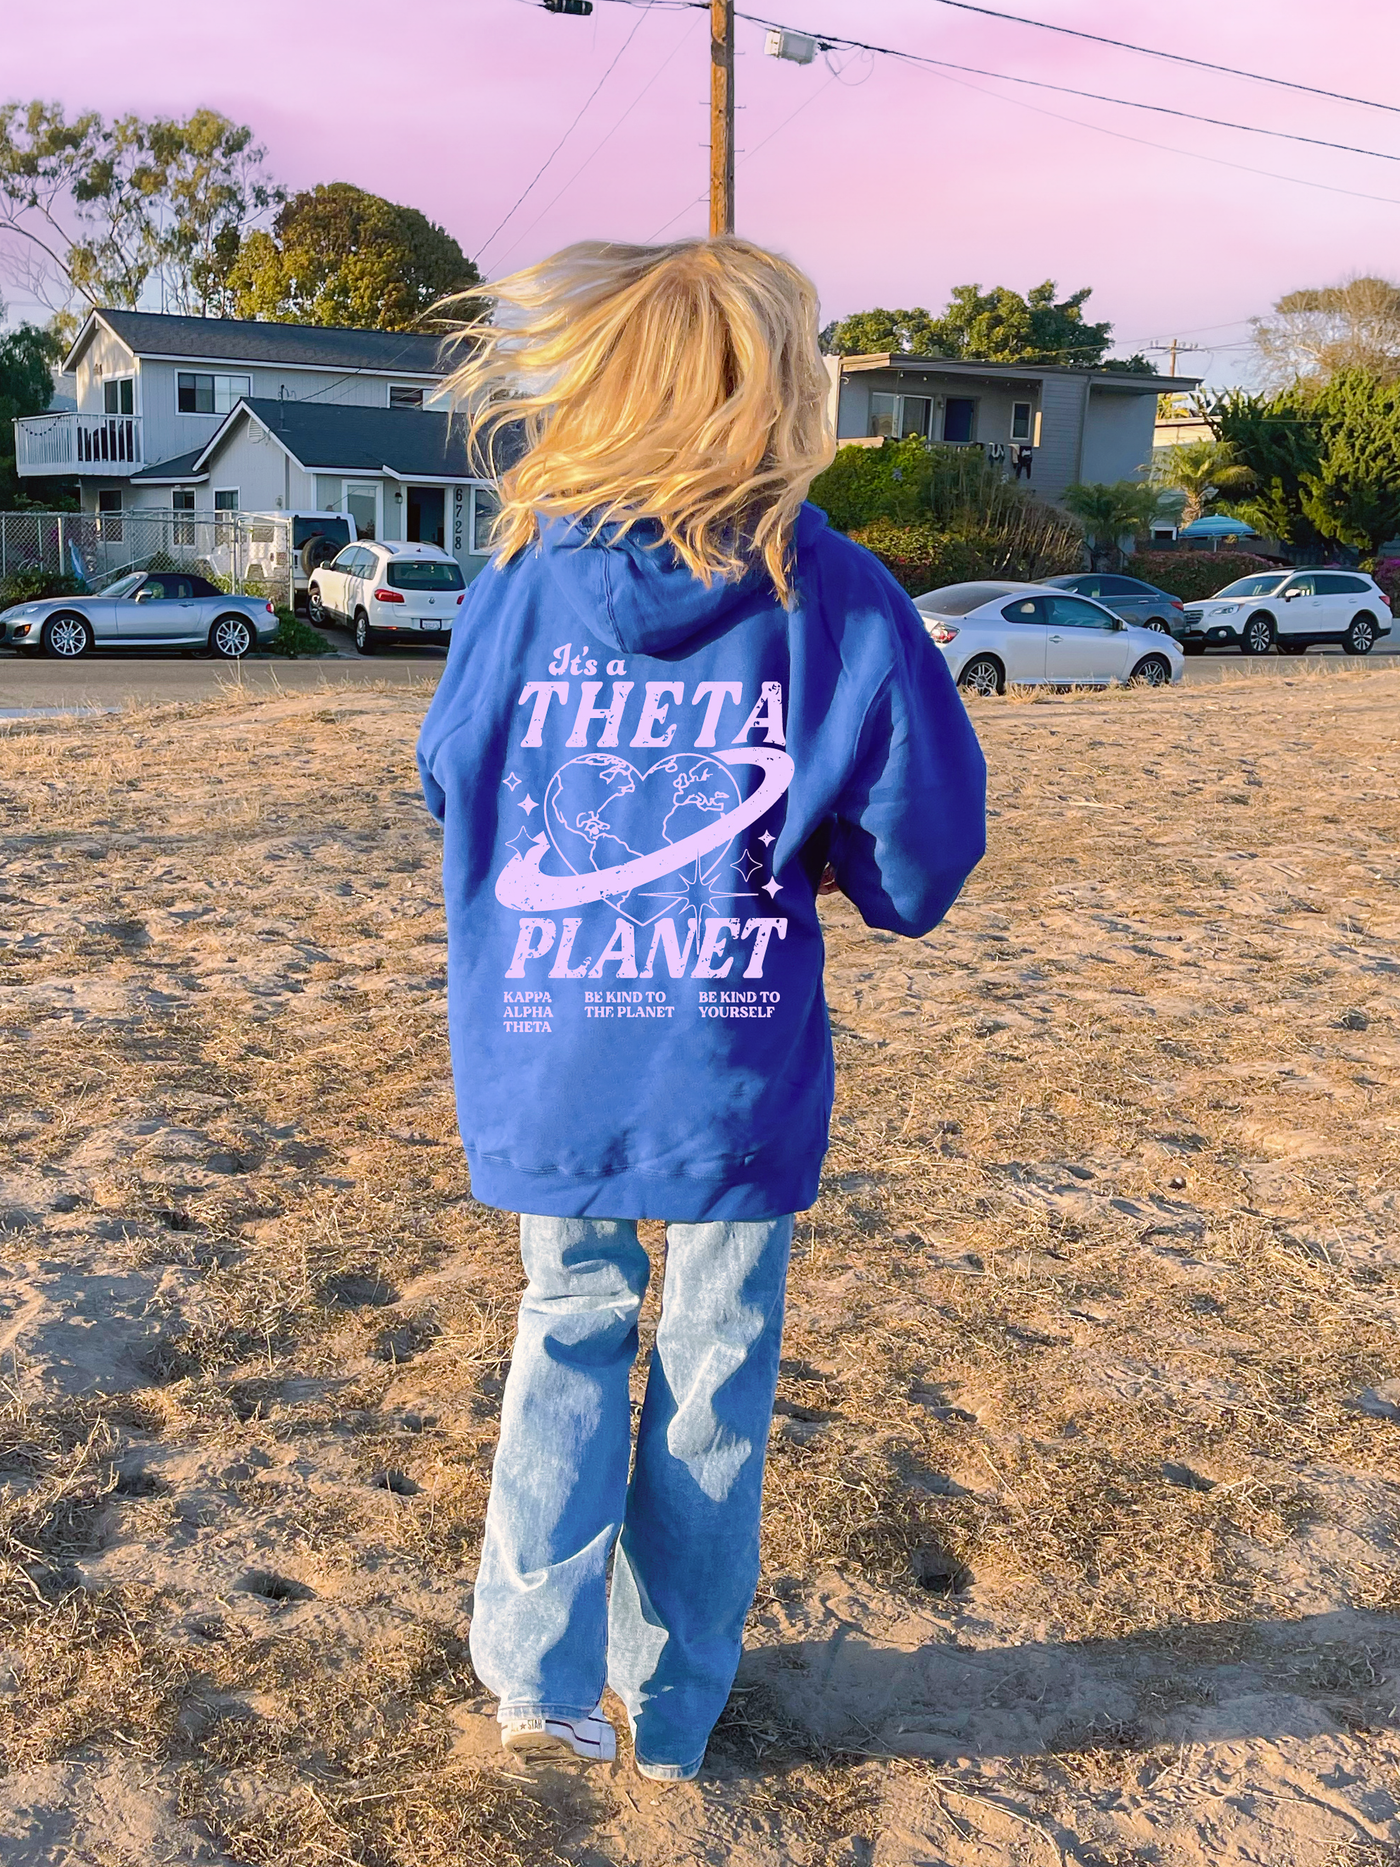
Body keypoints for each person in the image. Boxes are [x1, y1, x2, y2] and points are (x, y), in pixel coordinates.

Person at [417, 236, 986, 1782]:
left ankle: (539, 1685)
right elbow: (923, 852)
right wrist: (838, 862)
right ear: (775, 392)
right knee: (716, 1359)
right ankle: (667, 1712)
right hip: (726, 1056)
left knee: (568, 1322)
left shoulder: (519, 581)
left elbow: (454, 777)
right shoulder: (833, 592)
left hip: (550, 1042)